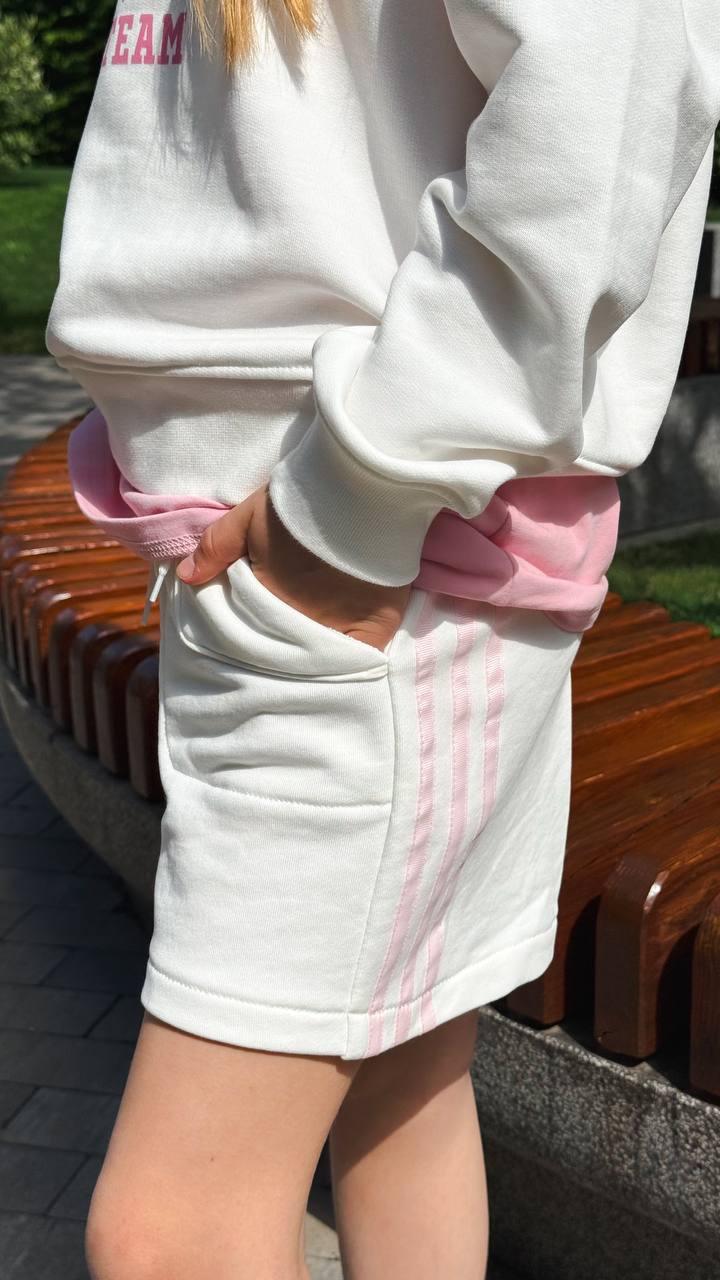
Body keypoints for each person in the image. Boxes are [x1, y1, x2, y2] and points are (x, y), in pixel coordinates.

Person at [46, 1, 719, 1276]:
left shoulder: (350, 539)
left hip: (371, 587)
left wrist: (349, 510)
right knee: (403, 1091)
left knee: (170, 1233)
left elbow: (601, 110)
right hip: (319, 578)